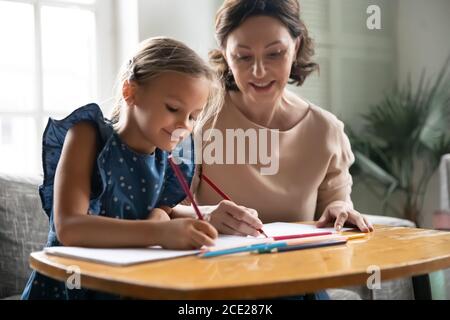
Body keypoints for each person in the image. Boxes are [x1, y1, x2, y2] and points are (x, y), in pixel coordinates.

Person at [21, 37, 224, 299]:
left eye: (193, 116)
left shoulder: (174, 155)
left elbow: (160, 212)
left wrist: (202, 217)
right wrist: (160, 231)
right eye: (173, 108)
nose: (184, 125)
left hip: (127, 283)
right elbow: (70, 227)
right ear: (130, 92)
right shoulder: (88, 135)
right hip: (71, 285)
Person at [173, 0, 373, 242]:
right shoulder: (199, 118)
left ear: (296, 46)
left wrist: (340, 209)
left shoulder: (325, 131)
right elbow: (166, 210)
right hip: (220, 271)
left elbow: (336, 206)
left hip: (297, 270)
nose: (259, 71)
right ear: (225, 52)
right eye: (243, 57)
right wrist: (203, 216)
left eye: (274, 54)